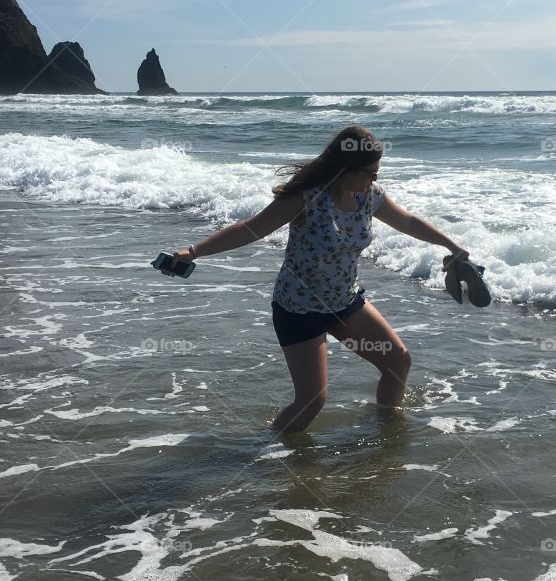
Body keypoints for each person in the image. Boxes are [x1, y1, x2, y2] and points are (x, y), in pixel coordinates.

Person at [167, 125, 470, 433]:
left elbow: (407, 220)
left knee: (397, 362)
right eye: (371, 172)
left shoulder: (370, 195)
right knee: (311, 400)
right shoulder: (308, 196)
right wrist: (194, 251)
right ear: (347, 169)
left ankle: (388, 432)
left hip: (344, 302)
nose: (375, 179)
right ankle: (272, 449)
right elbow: (252, 229)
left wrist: (451, 245)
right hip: (299, 309)